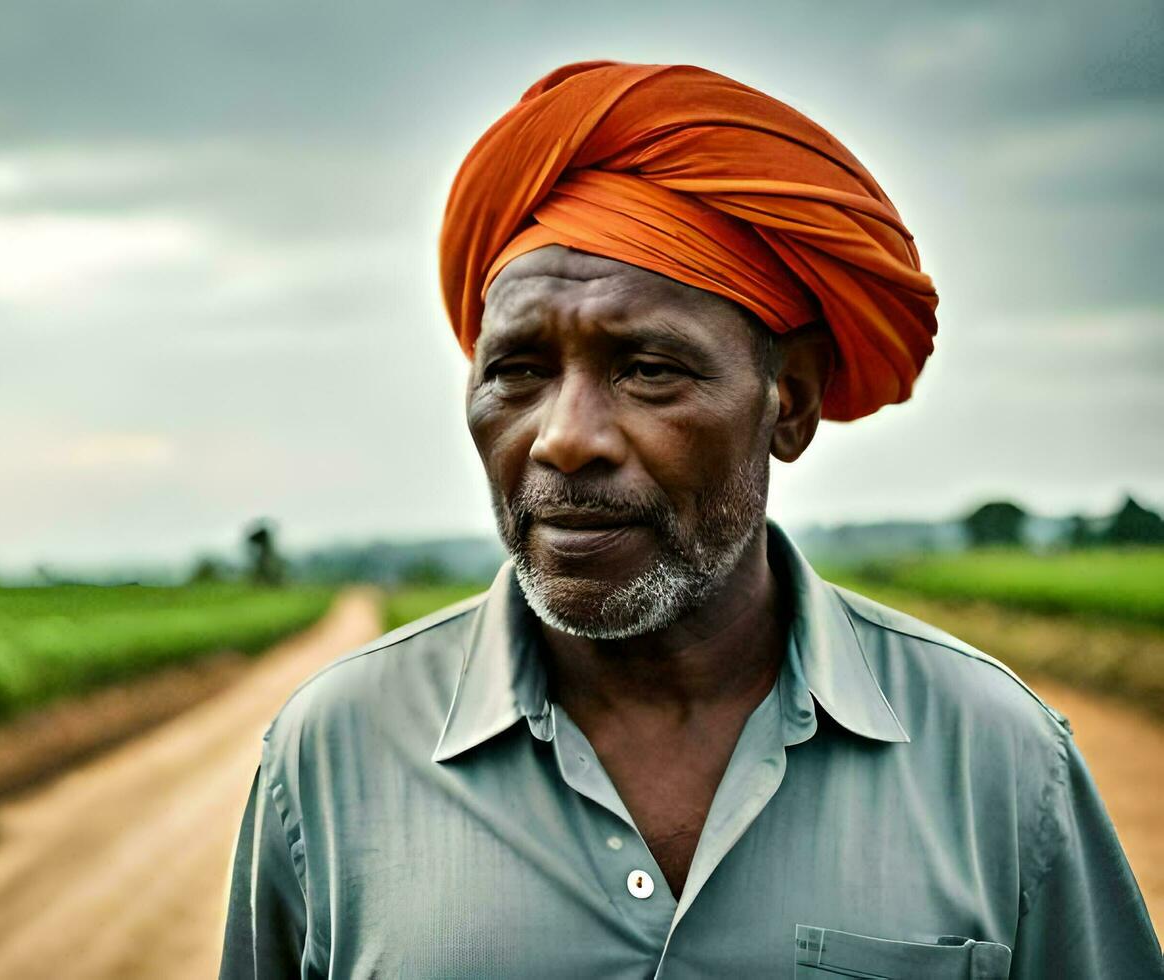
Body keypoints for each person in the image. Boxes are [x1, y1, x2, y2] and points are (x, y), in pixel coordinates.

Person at [219, 61, 1163, 978]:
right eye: (518, 372)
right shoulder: (334, 753)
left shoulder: (997, 758)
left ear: (786, 404)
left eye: (649, 370)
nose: (564, 439)